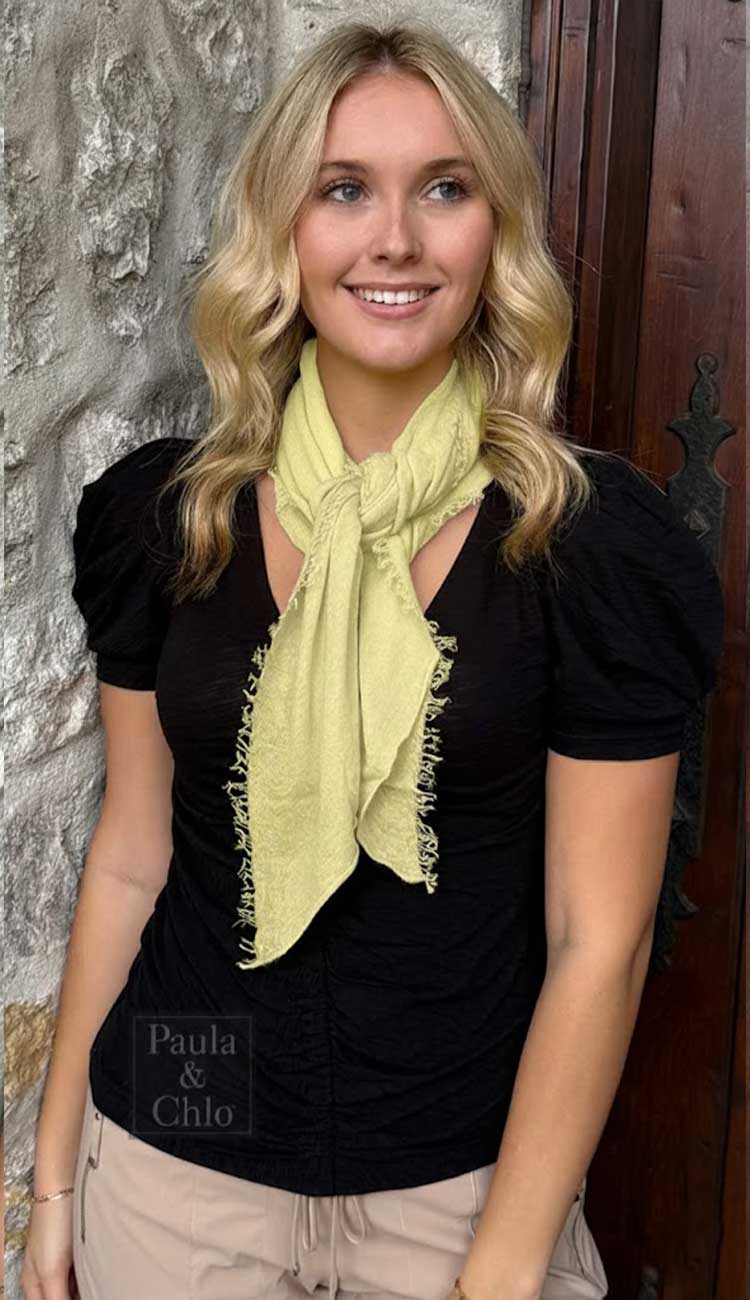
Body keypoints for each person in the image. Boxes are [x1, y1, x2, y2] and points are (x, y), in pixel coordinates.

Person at [22, 18, 724, 1300]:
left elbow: (597, 940)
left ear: (493, 232)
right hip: (180, 1172)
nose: (393, 239)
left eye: (442, 189)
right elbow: (131, 856)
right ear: (284, 232)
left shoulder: (587, 544)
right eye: (343, 189)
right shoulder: (168, 520)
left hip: (459, 1198)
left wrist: (501, 1272)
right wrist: (55, 1176)